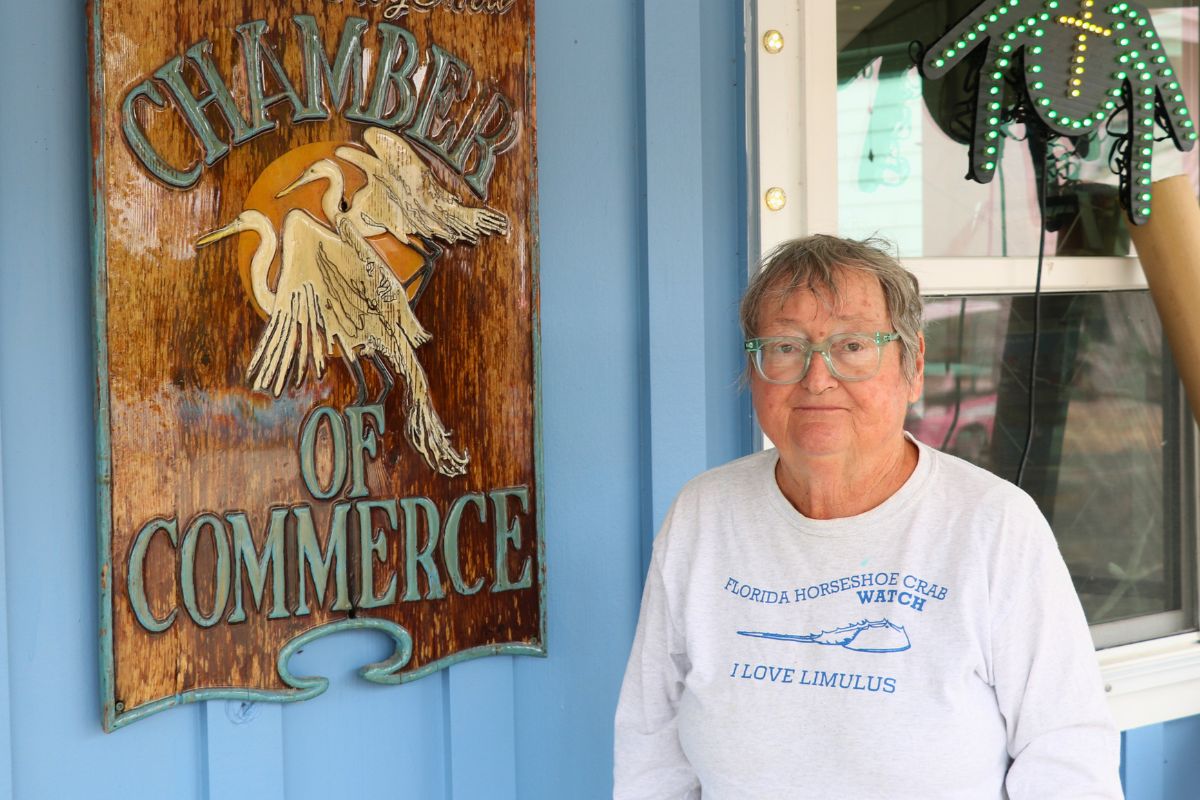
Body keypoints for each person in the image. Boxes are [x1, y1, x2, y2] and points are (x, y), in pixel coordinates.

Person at [613, 235, 1122, 799]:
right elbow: (651, 740)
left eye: (852, 345)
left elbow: (1067, 753)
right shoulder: (704, 516)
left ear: (913, 365)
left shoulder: (992, 525)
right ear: (755, 370)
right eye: (784, 346)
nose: (817, 377)